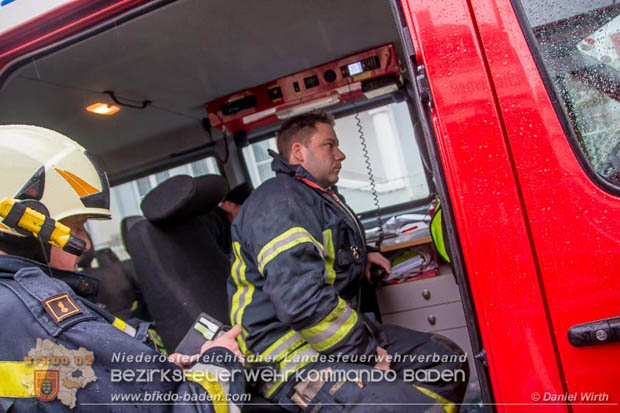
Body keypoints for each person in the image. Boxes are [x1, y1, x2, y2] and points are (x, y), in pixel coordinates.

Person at [227, 112, 469, 412]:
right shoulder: (280, 202)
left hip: (331, 339)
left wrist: (361, 252)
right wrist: (366, 354)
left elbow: (325, 246)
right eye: (329, 145)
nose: (340, 154)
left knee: (445, 361)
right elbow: (301, 302)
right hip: (289, 356)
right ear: (298, 152)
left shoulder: (313, 197)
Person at [0, 125, 246, 412]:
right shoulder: (46, 319)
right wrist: (221, 358)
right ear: (26, 225)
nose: (87, 244)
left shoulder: (16, 310)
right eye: (75, 229)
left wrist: (158, 372)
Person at [211, 183, 253, 256]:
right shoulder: (215, 223)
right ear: (228, 205)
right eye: (244, 210)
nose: (248, 214)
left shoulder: (228, 222)